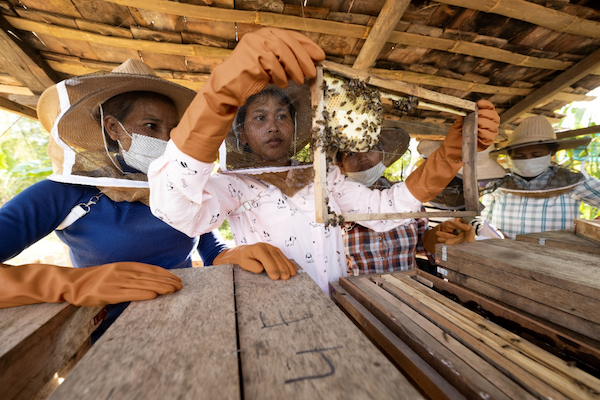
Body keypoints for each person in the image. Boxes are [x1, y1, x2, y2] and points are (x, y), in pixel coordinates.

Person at [147, 27, 500, 294]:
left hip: (339, 299)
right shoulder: (231, 184)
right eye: (259, 118)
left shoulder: (324, 176)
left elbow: (384, 211)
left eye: (282, 115)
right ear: (241, 134)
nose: (273, 126)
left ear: (297, 126)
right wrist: (218, 94)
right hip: (275, 307)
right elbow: (176, 209)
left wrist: (453, 154)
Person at [0, 60, 295, 335]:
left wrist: (234, 253)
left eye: (174, 131)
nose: (166, 141)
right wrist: (72, 284)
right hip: (111, 339)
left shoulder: (180, 187)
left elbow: (210, 247)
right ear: (113, 128)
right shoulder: (65, 191)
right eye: (151, 127)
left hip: (197, 319)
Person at [336, 128, 476, 275]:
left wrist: (437, 236)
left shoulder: (410, 200)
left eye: (369, 148)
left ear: (382, 154)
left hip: (410, 289)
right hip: (357, 294)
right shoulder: (334, 204)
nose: (362, 157)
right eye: (350, 153)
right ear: (340, 165)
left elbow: (422, 245)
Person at [481, 115, 600, 239]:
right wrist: (491, 232)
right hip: (503, 253)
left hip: (555, 254)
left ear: (552, 151)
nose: (528, 160)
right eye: (520, 156)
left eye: (536, 154)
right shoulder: (499, 182)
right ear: (510, 154)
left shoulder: (573, 182)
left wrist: (592, 229)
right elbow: (483, 220)